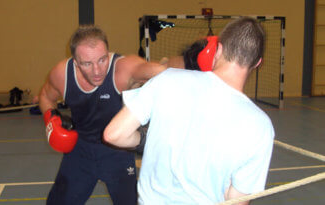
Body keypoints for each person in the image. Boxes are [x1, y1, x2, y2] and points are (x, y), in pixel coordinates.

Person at [104, 17, 275, 204]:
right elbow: (237, 201)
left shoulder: (167, 79)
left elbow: (114, 135)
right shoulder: (261, 125)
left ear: (218, 49)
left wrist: (145, 140)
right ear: (258, 63)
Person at [38, 25, 166, 204]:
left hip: (118, 152)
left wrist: (195, 66)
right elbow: (45, 96)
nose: (97, 71)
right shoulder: (62, 74)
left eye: (102, 60)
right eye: (87, 64)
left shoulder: (122, 70)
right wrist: (51, 117)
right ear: (75, 62)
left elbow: (161, 71)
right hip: (80, 151)